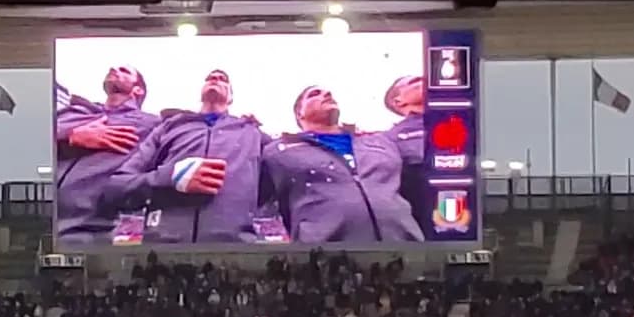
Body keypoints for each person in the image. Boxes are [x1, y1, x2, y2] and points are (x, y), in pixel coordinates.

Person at [99, 69, 269, 243]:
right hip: (162, 251)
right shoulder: (168, 128)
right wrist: (170, 178)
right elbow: (117, 187)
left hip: (233, 251)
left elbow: (284, 173)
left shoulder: (253, 134)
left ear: (231, 97)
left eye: (223, 79)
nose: (215, 79)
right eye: (210, 77)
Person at [260, 85, 424, 243]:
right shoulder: (279, 152)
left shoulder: (381, 141)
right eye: (315, 94)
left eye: (327, 92)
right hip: (327, 255)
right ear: (299, 114)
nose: (327, 94)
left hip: (402, 246)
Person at [56, 66, 160, 246]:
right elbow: (31, 138)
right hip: (45, 218)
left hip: (90, 229)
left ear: (138, 89)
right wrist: (71, 135)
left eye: (124, 70)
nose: (113, 69)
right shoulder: (76, 112)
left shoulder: (151, 124)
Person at [383, 75, 426, 228]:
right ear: (398, 101)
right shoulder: (390, 139)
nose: (424, 80)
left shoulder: (464, 119)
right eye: (414, 81)